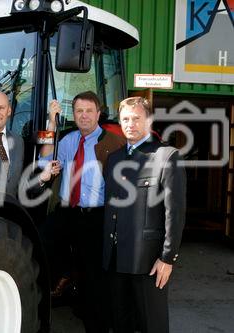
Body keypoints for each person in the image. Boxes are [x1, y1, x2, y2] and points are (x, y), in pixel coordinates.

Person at [39, 91, 125, 332]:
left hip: (96, 217)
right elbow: (43, 162)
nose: (84, 116)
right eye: (79, 111)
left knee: (94, 276)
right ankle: (62, 280)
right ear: (73, 114)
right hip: (68, 212)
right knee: (41, 243)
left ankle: (96, 325)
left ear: (98, 114)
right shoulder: (67, 140)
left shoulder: (114, 144)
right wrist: (51, 123)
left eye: (89, 111)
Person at [102, 96, 186, 332]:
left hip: (148, 261)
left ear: (148, 121)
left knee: (152, 324)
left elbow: (175, 213)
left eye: (137, 118)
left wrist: (168, 258)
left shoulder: (166, 156)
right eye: (125, 119)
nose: (131, 124)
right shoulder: (114, 158)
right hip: (116, 259)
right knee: (120, 324)